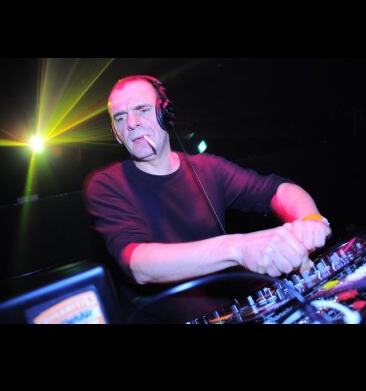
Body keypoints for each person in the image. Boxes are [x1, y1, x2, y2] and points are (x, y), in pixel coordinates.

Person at [84, 75, 332, 323]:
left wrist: (309, 219)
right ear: (116, 133)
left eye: (142, 109)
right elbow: (138, 264)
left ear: (165, 113)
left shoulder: (208, 168)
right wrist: (239, 248)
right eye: (120, 117)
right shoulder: (106, 184)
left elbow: (276, 189)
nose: (131, 123)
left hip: (230, 315)